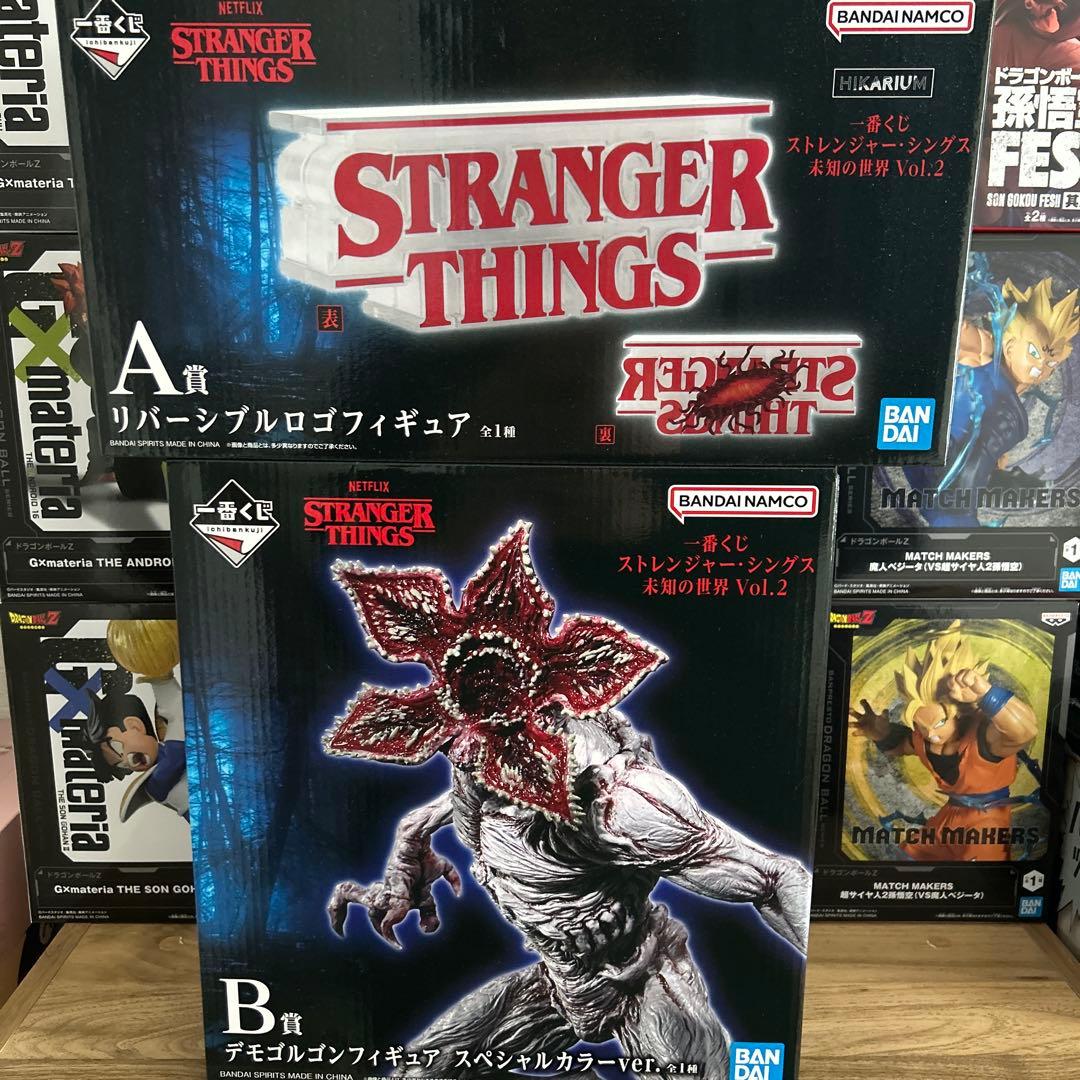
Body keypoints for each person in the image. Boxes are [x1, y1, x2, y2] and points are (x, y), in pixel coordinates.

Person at [849, 624, 1040, 861]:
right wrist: (881, 732)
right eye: (921, 725)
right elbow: (899, 745)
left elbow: (1024, 731)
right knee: (907, 859)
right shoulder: (922, 739)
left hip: (986, 823)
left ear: (958, 713)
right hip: (948, 817)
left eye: (939, 723)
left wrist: (987, 694)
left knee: (981, 878)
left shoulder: (985, 737)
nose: (931, 734)